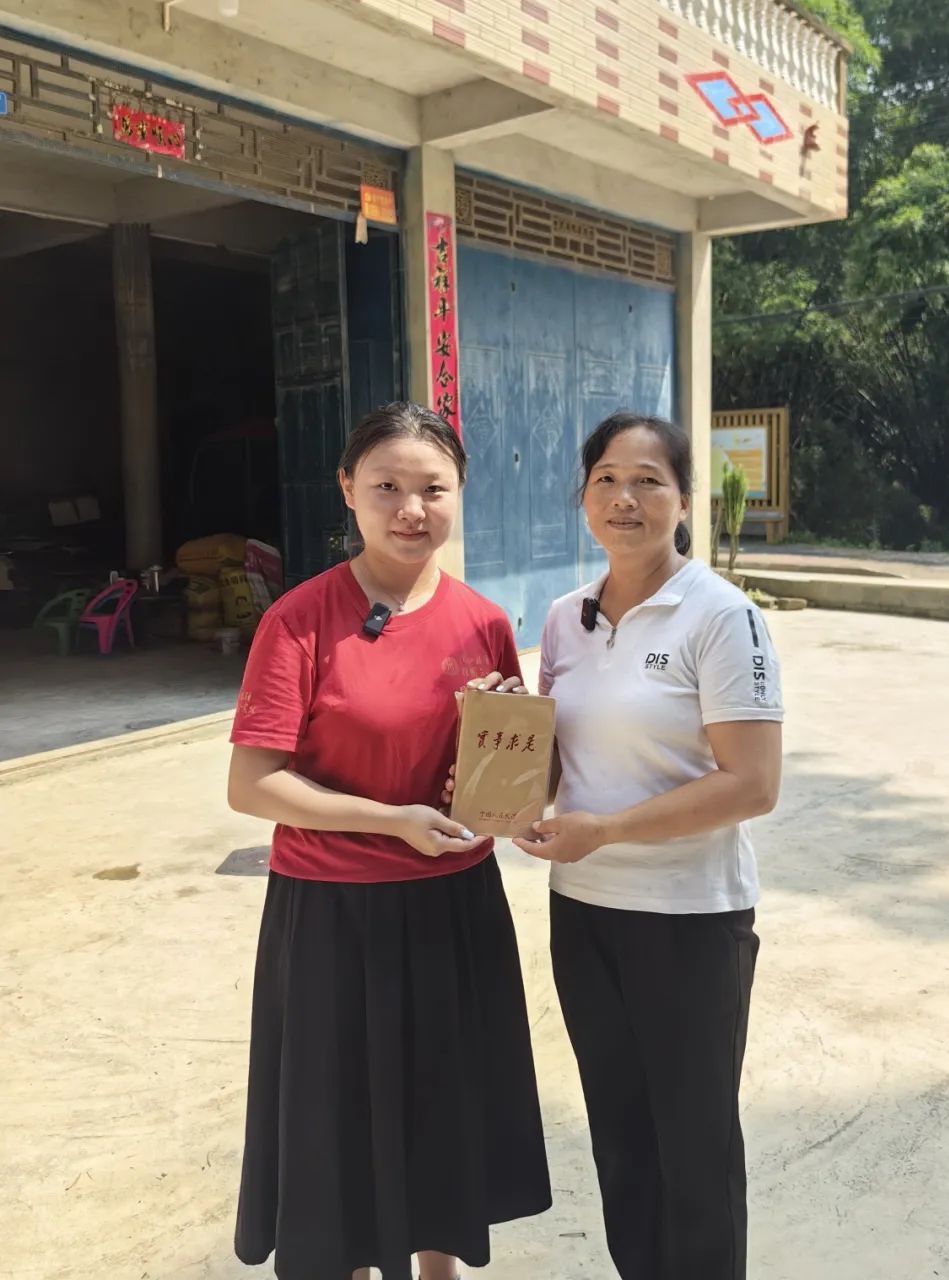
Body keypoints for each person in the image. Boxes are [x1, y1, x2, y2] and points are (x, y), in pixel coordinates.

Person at [227, 401, 551, 1280]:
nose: (412, 509)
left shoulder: (485, 624)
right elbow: (253, 784)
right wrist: (393, 821)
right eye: (387, 487)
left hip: (454, 909)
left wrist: (494, 784)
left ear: (461, 493)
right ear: (348, 490)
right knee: (343, 1126)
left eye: (433, 489)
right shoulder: (299, 620)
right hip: (333, 916)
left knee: (442, 1113)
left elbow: (507, 774)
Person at [517, 411, 783, 1280]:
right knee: (622, 1139)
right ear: (583, 496)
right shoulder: (564, 618)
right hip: (583, 917)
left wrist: (610, 832)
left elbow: (753, 784)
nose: (623, 498)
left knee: (695, 1150)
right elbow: (559, 766)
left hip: (688, 921)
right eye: (606, 479)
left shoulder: (722, 616)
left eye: (647, 481)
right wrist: (498, 755)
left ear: (683, 500)